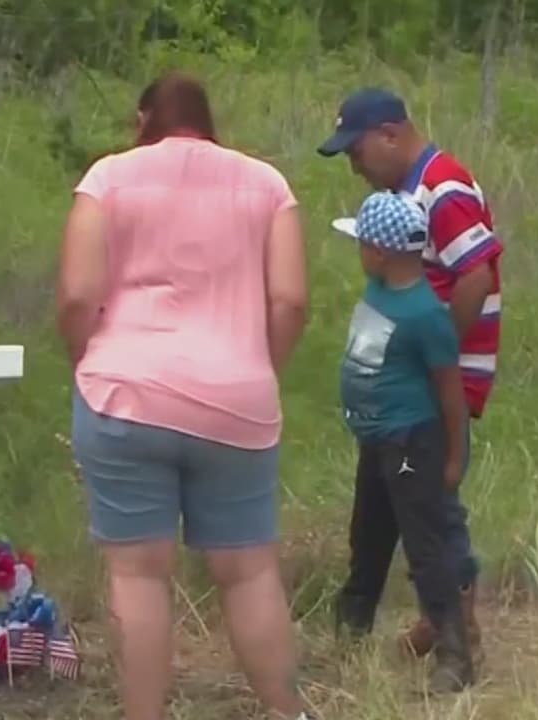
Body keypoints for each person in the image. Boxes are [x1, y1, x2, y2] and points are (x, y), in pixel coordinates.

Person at [55, 71, 312, 720]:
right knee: (249, 573)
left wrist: (84, 360)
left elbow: (79, 295)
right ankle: (288, 711)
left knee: (138, 574)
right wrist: (260, 366)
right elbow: (290, 300)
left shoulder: (108, 179)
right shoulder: (266, 185)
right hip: (237, 400)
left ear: (143, 120)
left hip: (124, 393)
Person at [318, 88, 503, 660]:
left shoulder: (443, 188)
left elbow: (476, 274)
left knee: (432, 508)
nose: (355, 166)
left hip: (437, 380)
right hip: (408, 389)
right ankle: (440, 616)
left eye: (357, 152)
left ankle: (456, 626)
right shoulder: (409, 192)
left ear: (390, 135)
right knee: (408, 504)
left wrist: (435, 353)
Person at [329, 191, 473, 692]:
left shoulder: (424, 315)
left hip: (412, 443)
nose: (359, 253)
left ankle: (454, 654)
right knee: (367, 536)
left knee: (425, 546)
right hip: (377, 441)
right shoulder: (379, 291)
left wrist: (454, 456)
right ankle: (350, 631)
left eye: (361, 244)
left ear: (379, 251)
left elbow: (450, 392)